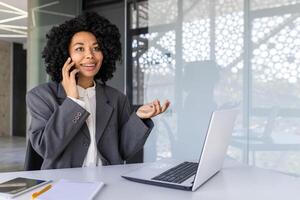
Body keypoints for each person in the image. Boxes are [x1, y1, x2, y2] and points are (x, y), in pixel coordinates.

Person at [26, 12, 170, 170]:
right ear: (65, 55)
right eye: (80, 49)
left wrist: (139, 119)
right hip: (63, 185)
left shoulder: (116, 98)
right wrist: (73, 101)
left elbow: (122, 151)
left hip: (107, 182)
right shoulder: (41, 96)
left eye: (96, 48)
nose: (89, 55)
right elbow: (46, 148)